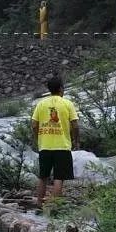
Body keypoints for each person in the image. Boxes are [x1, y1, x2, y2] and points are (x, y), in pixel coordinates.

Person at [31, 75, 79, 206]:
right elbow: (75, 124)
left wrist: (38, 138)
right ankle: (54, 206)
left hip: (45, 146)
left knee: (43, 177)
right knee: (59, 177)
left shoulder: (41, 104)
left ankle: (39, 204)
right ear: (61, 89)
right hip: (62, 146)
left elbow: (34, 124)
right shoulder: (68, 104)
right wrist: (76, 141)